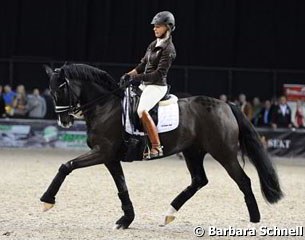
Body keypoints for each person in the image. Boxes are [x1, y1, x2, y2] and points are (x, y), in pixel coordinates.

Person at [122, 11, 176, 159]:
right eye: (154, 26)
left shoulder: (169, 49)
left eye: (158, 26)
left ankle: (156, 147)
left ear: (168, 27)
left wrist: (137, 78)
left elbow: (158, 74)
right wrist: (129, 74)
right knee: (126, 99)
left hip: (157, 85)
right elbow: (142, 64)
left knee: (141, 110)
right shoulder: (153, 44)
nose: (154, 29)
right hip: (146, 84)